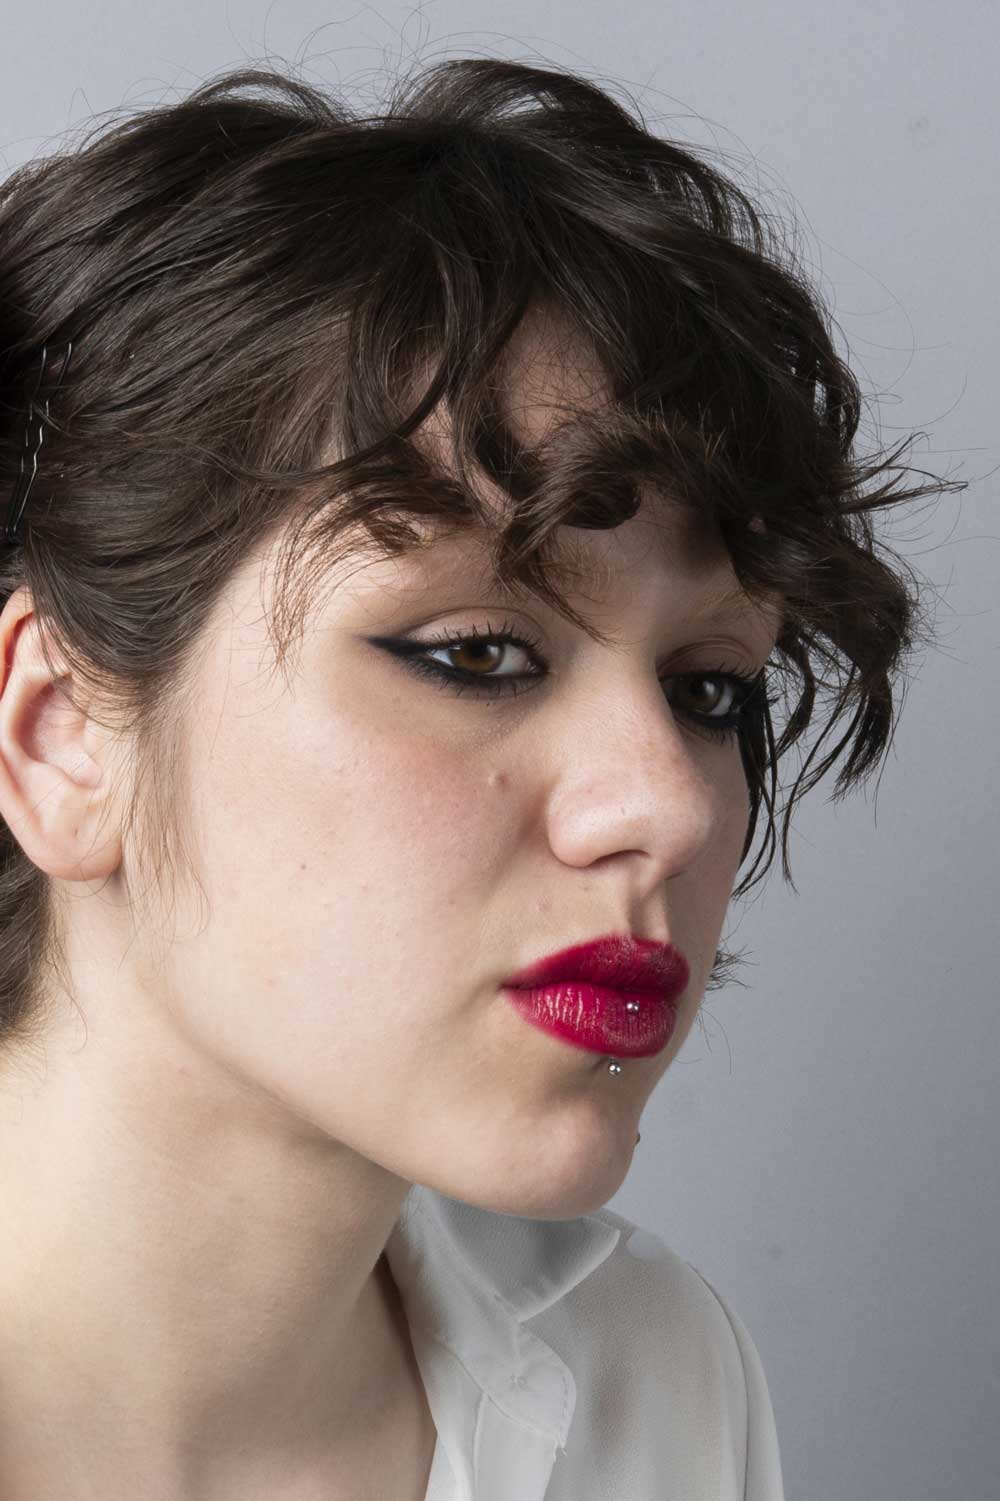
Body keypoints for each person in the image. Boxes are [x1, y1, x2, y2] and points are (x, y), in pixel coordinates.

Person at [0, 58, 960, 1501]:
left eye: (710, 688)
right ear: (61, 730)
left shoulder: (652, 1385)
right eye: (477, 654)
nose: (671, 805)